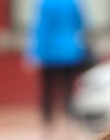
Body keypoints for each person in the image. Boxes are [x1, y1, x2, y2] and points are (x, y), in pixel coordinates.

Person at [26, 0, 92, 131]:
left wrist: (34, 52)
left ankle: (48, 118)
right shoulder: (73, 3)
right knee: (68, 86)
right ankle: (69, 116)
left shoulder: (45, 4)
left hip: (48, 52)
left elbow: (41, 28)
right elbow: (82, 24)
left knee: (48, 87)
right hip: (69, 50)